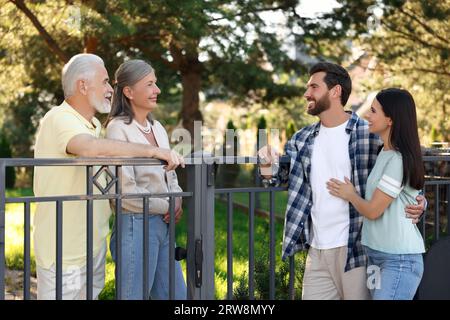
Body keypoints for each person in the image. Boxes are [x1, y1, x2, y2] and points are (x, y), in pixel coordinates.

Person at [258, 62, 425, 300]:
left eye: (314, 87)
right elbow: (275, 182)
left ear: (335, 91)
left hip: (357, 249)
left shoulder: (369, 134)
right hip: (317, 249)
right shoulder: (301, 139)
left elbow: (407, 168)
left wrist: (420, 202)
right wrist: (266, 162)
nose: (307, 93)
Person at [33, 53, 184, 300]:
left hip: (92, 247)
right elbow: (90, 148)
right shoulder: (59, 118)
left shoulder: (93, 125)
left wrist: (174, 199)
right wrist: (152, 151)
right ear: (83, 85)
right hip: (64, 253)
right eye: (104, 81)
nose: (109, 89)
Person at [326, 88, 425, 300]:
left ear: (390, 119)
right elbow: (408, 195)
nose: (367, 116)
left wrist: (350, 194)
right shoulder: (384, 153)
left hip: (398, 260)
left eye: (373, 111)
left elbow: (372, 211)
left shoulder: (397, 159)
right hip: (376, 256)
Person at [105, 59, 186, 300]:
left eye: (156, 83)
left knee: (176, 297)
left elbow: (169, 173)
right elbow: (124, 189)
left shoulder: (158, 127)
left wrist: (177, 197)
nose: (157, 90)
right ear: (128, 92)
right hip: (135, 225)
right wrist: (167, 205)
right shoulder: (117, 129)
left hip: (163, 225)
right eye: (150, 84)